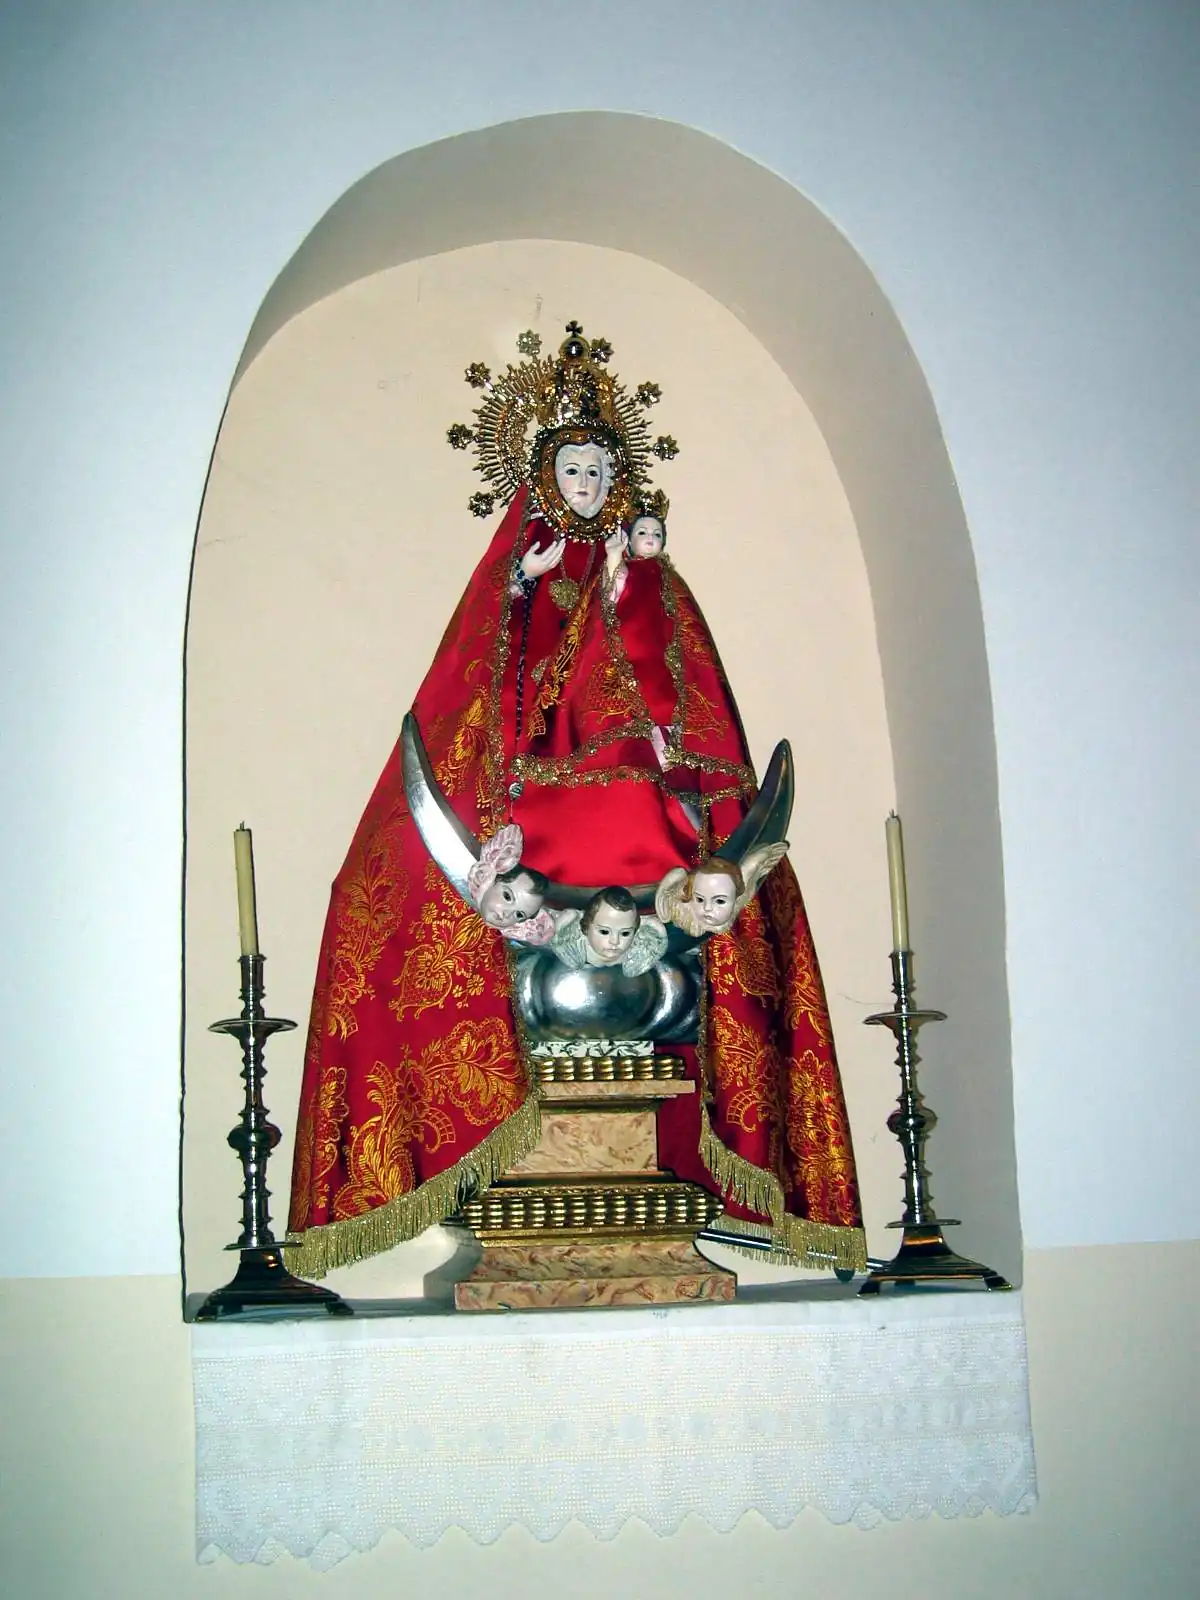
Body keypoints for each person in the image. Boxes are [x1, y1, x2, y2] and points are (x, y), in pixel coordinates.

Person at [285, 325, 865, 1278]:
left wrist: (679, 743)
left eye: (604, 467)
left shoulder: (650, 581)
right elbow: (485, 691)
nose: (592, 483)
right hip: (538, 792)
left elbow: (686, 694)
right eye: (575, 468)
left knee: (717, 881)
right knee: (428, 887)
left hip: (639, 786)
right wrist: (526, 589)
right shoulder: (522, 577)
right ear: (546, 477)